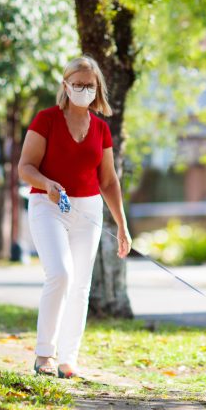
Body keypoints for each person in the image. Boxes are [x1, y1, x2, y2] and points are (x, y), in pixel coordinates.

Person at [18, 55, 132, 378]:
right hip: (48, 205)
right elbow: (25, 166)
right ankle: (44, 355)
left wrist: (122, 226)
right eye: (77, 84)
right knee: (60, 273)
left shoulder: (101, 129)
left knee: (80, 284)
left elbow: (108, 181)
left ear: (97, 89)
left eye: (89, 85)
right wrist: (46, 183)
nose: (83, 89)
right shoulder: (46, 120)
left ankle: (68, 359)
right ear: (65, 85)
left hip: (88, 210)